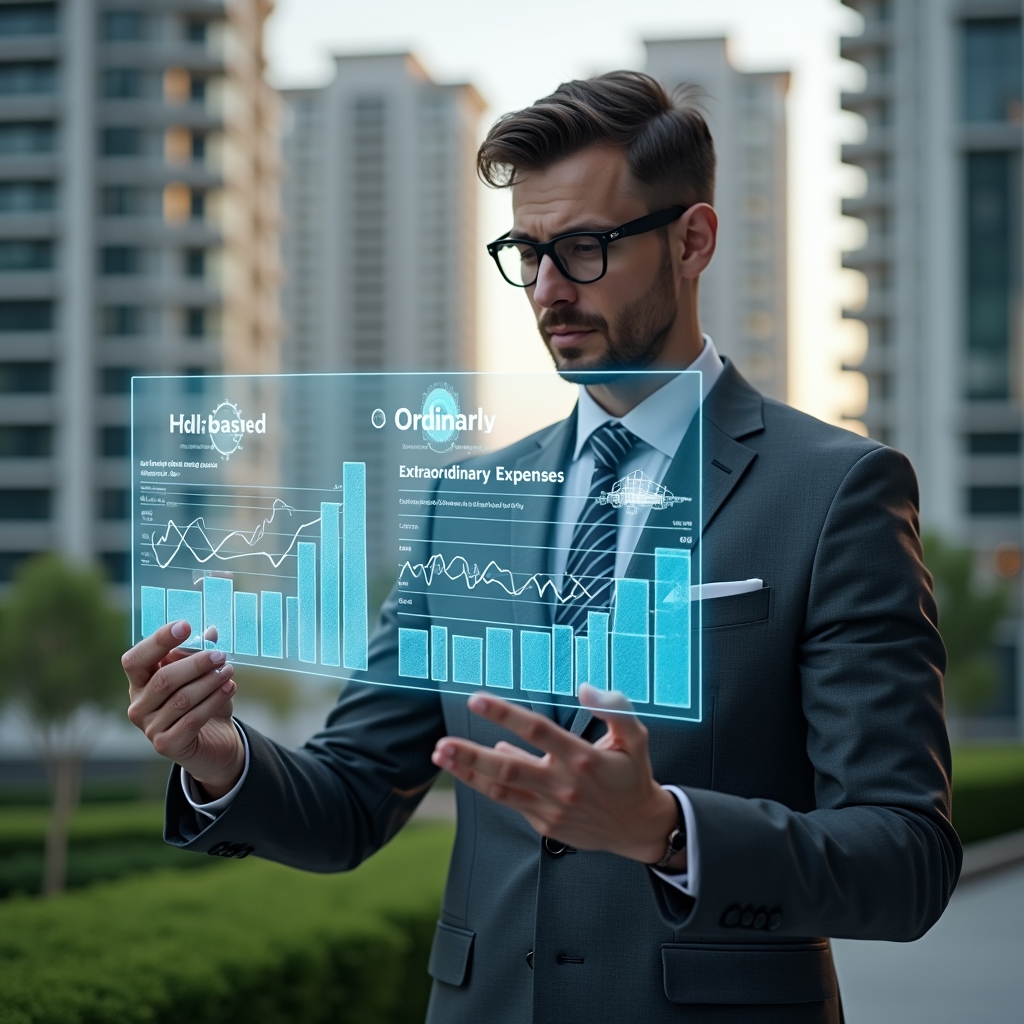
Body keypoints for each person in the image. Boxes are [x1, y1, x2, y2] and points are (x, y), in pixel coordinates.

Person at [121, 72, 961, 1023]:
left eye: (587, 249)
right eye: (528, 252)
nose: (549, 291)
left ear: (694, 240)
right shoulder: (465, 500)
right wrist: (222, 758)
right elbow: (354, 795)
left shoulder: (837, 490)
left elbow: (906, 860)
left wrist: (665, 831)